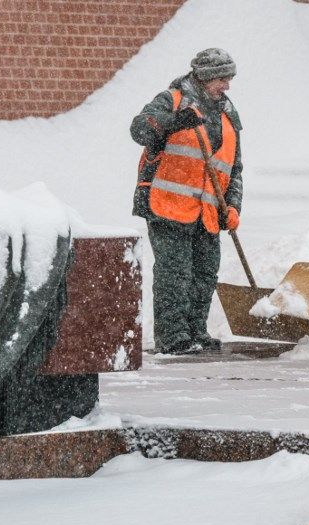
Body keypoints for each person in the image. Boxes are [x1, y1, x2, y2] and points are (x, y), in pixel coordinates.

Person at [130, 48, 243, 354]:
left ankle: (196, 331)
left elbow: (234, 167)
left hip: (207, 210)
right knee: (174, 274)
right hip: (167, 204)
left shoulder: (228, 113)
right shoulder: (173, 100)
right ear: (204, 76)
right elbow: (139, 129)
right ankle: (173, 337)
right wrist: (175, 121)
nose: (227, 86)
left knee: (204, 275)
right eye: (222, 78)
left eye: (229, 78)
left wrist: (232, 206)